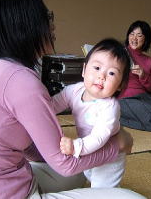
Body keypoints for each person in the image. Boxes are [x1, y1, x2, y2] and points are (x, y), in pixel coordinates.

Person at [0, 0, 146, 199]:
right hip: (5, 194)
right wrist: (118, 144)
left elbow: (30, 148)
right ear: (24, 25)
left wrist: (64, 152)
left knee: (80, 174)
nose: (51, 24)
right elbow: (65, 165)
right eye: (45, 15)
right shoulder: (20, 81)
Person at [52, 38, 130, 188]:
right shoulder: (74, 90)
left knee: (102, 189)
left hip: (109, 156)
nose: (102, 76)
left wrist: (76, 147)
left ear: (120, 85)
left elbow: (99, 137)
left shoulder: (110, 107)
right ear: (83, 70)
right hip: (87, 148)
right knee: (88, 175)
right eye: (97, 68)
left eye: (112, 73)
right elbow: (52, 105)